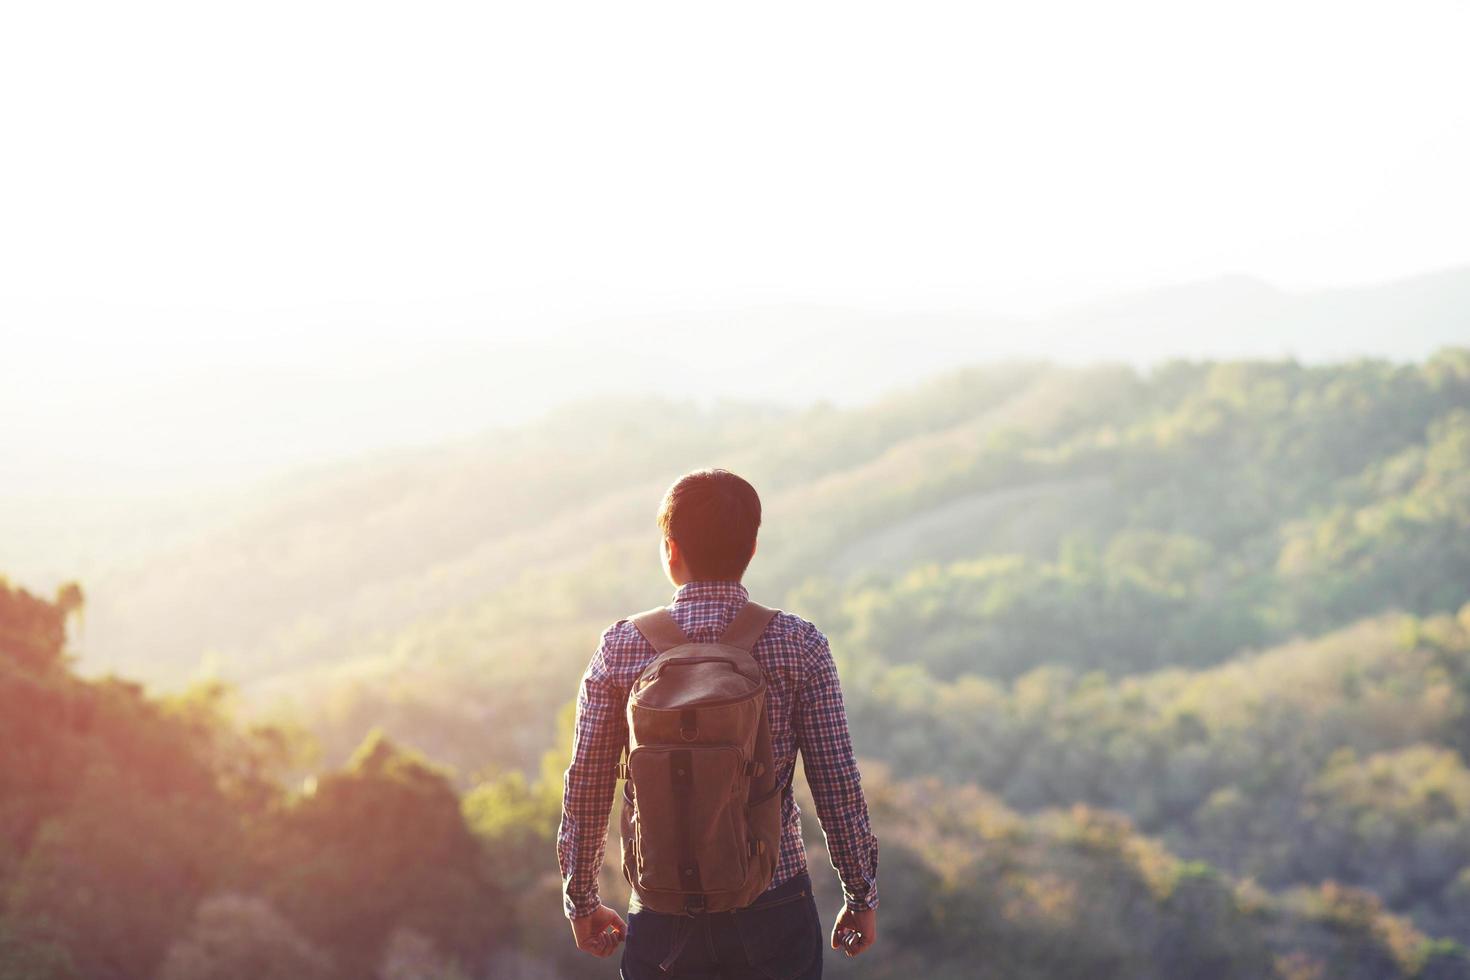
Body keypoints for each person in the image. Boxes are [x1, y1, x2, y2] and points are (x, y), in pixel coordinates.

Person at [557, 467, 879, 977]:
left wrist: (581, 900)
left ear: (670, 549)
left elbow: (588, 784)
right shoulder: (799, 644)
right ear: (752, 549)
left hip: (662, 910)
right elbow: (836, 782)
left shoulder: (621, 647)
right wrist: (860, 893)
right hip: (773, 906)